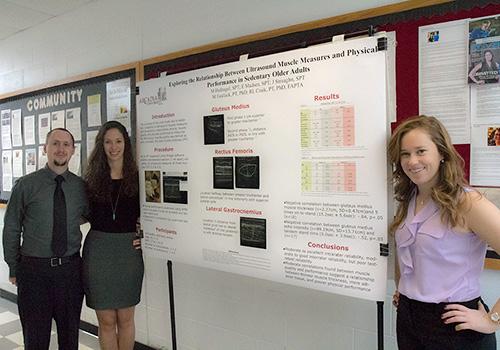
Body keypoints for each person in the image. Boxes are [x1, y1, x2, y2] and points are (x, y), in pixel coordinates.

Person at [388, 115, 500, 349]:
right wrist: (405, 288)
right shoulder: (409, 199)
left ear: (441, 154)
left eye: (421, 151)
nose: (412, 161)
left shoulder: (468, 202)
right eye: (405, 154)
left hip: (454, 326)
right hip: (409, 318)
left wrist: (493, 320)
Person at [2, 128, 88, 350]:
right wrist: (14, 265)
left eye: (66, 144)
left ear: (73, 150)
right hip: (34, 274)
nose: (61, 149)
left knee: (69, 340)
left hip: (70, 273)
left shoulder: (80, 187)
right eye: (55, 144)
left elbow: (92, 216)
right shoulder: (26, 185)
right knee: (36, 339)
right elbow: (12, 226)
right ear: (45, 148)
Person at [83, 121, 143, 350]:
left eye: (118, 141)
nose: (113, 147)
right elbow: (80, 214)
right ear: (101, 145)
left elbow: (152, 215)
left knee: (126, 320)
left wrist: (145, 236)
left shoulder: (139, 179)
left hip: (128, 252)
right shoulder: (90, 180)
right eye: (108, 141)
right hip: (98, 253)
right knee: (106, 321)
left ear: (126, 144)